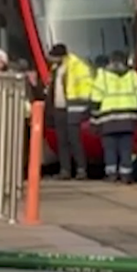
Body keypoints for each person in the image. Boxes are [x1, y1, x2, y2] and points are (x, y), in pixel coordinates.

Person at [91, 50, 137, 182]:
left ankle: (111, 174)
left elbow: (96, 99)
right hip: (128, 119)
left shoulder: (102, 75)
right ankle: (125, 174)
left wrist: (94, 120)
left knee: (110, 148)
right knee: (126, 148)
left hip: (108, 119)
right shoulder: (133, 75)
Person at [46, 44, 95, 179]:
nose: (52, 60)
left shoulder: (76, 66)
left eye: (54, 57)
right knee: (62, 141)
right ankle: (65, 170)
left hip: (73, 108)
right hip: (59, 109)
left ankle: (81, 169)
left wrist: (82, 106)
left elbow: (87, 87)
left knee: (74, 140)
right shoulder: (55, 69)